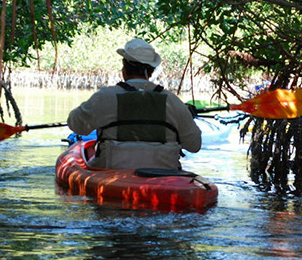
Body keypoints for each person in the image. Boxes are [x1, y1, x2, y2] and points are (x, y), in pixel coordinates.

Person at [67, 38, 202, 169]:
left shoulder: (105, 97)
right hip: (163, 175)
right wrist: (187, 115)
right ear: (151, 71)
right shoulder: (172, 101)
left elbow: (76, 125)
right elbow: (194, 145)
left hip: (111, 172)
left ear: (124, 69)